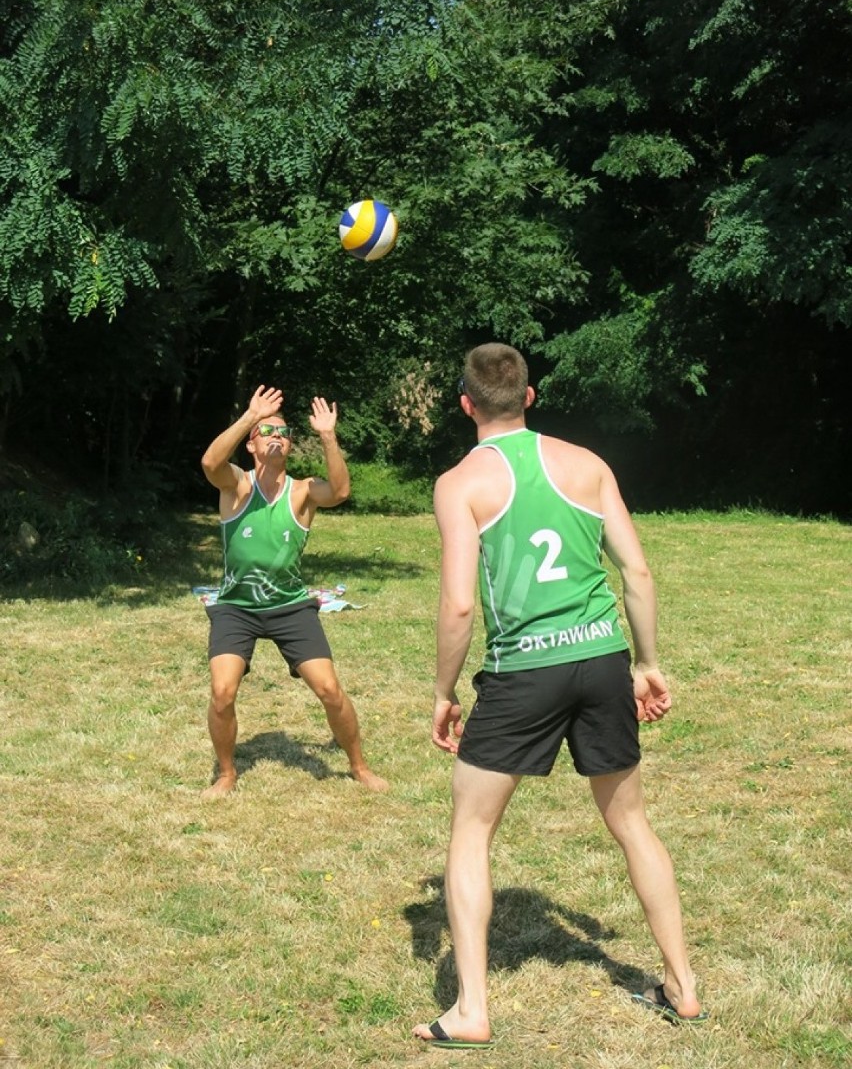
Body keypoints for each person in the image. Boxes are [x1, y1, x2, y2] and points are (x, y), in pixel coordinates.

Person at [413, 343, 706, 1050]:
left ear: (465, 404)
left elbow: (458, 607)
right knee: (632, 822)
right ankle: (685, 988)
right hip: (603, 660)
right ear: (530, 396)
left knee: (472, 830)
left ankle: (472, 1010)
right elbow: (636, 571)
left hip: (524, 672)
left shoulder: (460, 482)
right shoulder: (588, 466)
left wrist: (443, 691)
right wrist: (648, 661)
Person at [199, 384, 388, 798]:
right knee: (222, 691)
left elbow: (339, 492)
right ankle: (226, 773)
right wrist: (251, 417)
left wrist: (328, 436)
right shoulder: (237, 487)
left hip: (289, 607)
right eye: (267, 432)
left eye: (283, 433)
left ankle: (358, 766)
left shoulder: (302, 491)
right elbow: (211, 462)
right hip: (237, 607)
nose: (276, 437)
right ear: (252, 444)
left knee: (330, 690)